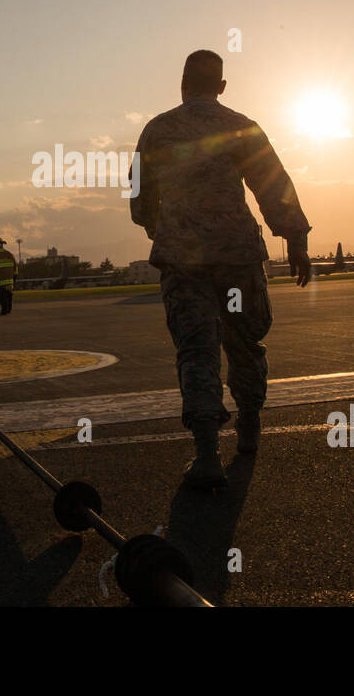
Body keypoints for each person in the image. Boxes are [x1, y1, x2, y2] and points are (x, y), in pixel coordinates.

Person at [129, 50, 312, 490]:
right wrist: (296, 238)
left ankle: (207, 453)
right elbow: (273, 183)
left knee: (196, 351)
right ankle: (249, 426)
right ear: (222, 86)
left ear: (182, 83)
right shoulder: (241, 125)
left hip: (183, 260)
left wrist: (163, 225)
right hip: (237, 256)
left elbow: (138, 201)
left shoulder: (158, 129)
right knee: (246, 341)